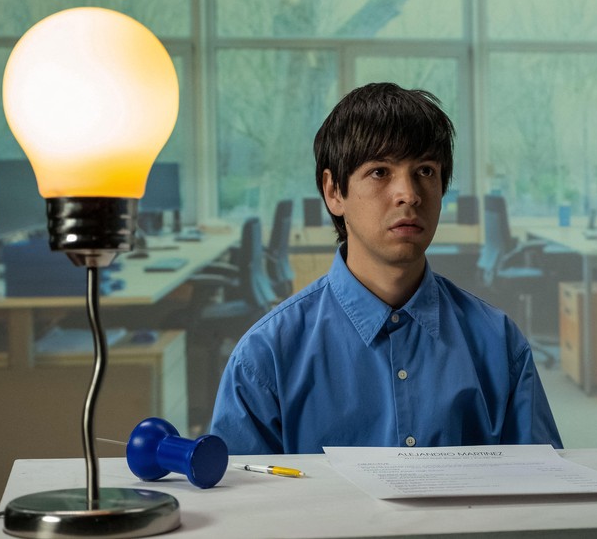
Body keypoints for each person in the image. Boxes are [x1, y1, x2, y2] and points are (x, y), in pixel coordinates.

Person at [210, 82, 562, 454]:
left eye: (425, 171)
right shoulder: (266, 357)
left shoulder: (498, 343)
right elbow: (242, 505)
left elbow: (543, 492)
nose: (408, 194)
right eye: (380, 172)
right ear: (334, 192)